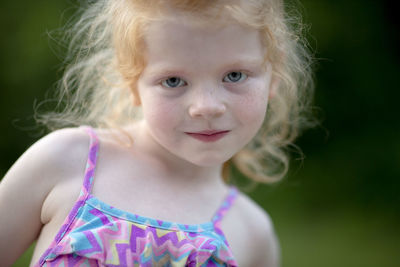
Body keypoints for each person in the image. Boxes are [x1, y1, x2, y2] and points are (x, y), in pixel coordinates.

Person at [0, 0, 314, 266]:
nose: (206, 107)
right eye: (174, 81)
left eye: (234, 75)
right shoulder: (66, 162)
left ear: (274, 74)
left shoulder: (253, 234)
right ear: (131, 82)